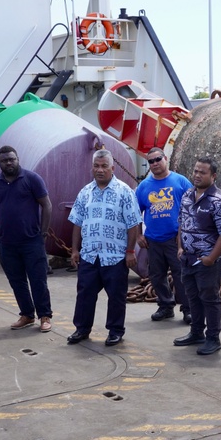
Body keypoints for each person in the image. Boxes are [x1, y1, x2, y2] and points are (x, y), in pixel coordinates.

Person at [67, 149, 141, 347]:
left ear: (112, 168)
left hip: (115, 256)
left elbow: (133, 223)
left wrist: (130, 251)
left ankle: (115, 331)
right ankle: (82, 329)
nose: (100, 170)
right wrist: (75, 250)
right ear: (92, 167)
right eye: (96, 166)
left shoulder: (124, 191)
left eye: (104, 166)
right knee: (84, 294)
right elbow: (77, 222)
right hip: (90, 256)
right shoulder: (85, 192)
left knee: (116, 296)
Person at [0, 145, 53, 333]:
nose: (9, 163)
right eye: (5, 160)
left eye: (12, 159)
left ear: (17, 159)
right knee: (17, 281)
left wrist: (43, 233)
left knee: (38, 280)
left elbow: (46, 205)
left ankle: (45, 316)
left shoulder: (31, 179)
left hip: (32, 241)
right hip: (7, 244)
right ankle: (27, 315)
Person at [173, 157, 221, 355]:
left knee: (209, 298)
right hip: (188, 258)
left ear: (213, 176)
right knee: (192, 297)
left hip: (209, 260)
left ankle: (213, 338)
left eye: (203, 172)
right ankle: (196, 332)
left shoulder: (220, 200)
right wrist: (180, 247)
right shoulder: (187, 195)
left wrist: (211, 258)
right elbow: (182, 223)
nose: (198, 175)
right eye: (196, 171)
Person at [136, 147, 193, 324]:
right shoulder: (144, 187)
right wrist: (139, 235)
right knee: (156, 275)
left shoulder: (180, 182)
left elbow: (192, 207)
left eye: (157, 159)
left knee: (181, 275)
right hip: (153, 240)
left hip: (176, 239)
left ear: (165, 158)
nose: (154, 164)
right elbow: (136, 213)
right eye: (150, 161)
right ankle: (165, 306)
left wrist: (186, 235)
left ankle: (188, 309)